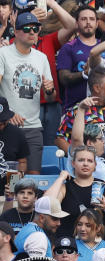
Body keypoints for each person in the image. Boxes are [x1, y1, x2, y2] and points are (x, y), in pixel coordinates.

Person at [0, 12, 55, 173]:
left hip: (33, 127)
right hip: (7, 125)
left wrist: (49, 89)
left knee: (32, 179)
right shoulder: (3, 54)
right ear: (16, 32)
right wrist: (8, 113)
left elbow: (51, 98)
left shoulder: (42, 58)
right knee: (9, 176)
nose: (32, 32)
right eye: (27, 29)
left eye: (36, 29)